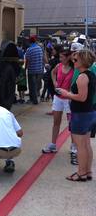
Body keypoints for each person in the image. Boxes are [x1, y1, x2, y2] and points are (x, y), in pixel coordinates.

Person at [59, 49, 95, 182]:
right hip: (89, 113)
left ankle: (81, 173)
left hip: (81, 114)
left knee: (80, 146)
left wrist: (66, 93)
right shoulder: (90, 74)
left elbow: (81, 97)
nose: (73, 61)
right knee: (86, 144)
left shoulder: (82, 76)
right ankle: (87, 171)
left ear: (83, 61)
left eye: (76, 59)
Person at [42, 47, 74, 158]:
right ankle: (53, 144)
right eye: (59, 56)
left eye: (62, 57)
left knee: (71, 124)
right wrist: (55, 82)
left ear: (68, 57)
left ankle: (74, 146)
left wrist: (70, 92)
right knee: (56, 122)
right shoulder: (59, 66)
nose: (60, 59)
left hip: (69, 99)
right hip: (58, 98)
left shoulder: (74, 69)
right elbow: (53, 73)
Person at [25, 35, 44, 104]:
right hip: (39, 70)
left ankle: (33, 100)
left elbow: (27, 61)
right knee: (36, 85)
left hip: (32, 70)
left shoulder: (29, 49)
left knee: (32, 86)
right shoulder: (39, 48)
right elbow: (42, 59)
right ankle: (36, 98)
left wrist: (25, 68)